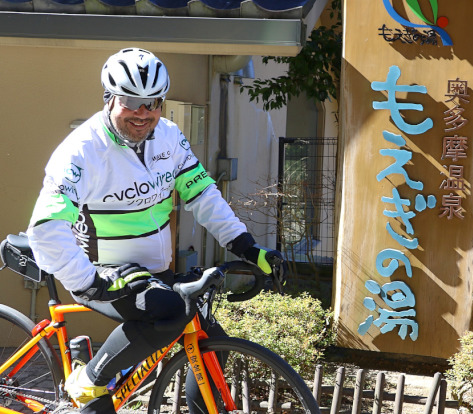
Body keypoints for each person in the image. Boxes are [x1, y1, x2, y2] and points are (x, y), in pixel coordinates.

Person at [26, 47, 284, 414]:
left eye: (153, 102)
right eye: (131, 101)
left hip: (152, 270)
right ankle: (90, 382)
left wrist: (245, 246)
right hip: (102, 273)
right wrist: (88, 282)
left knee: (212, 339)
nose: (143, 113)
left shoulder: (168, 136)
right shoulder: (82, 151)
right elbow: (46, 228)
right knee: (170, 313)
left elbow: (202, 193)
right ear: (110, 98)